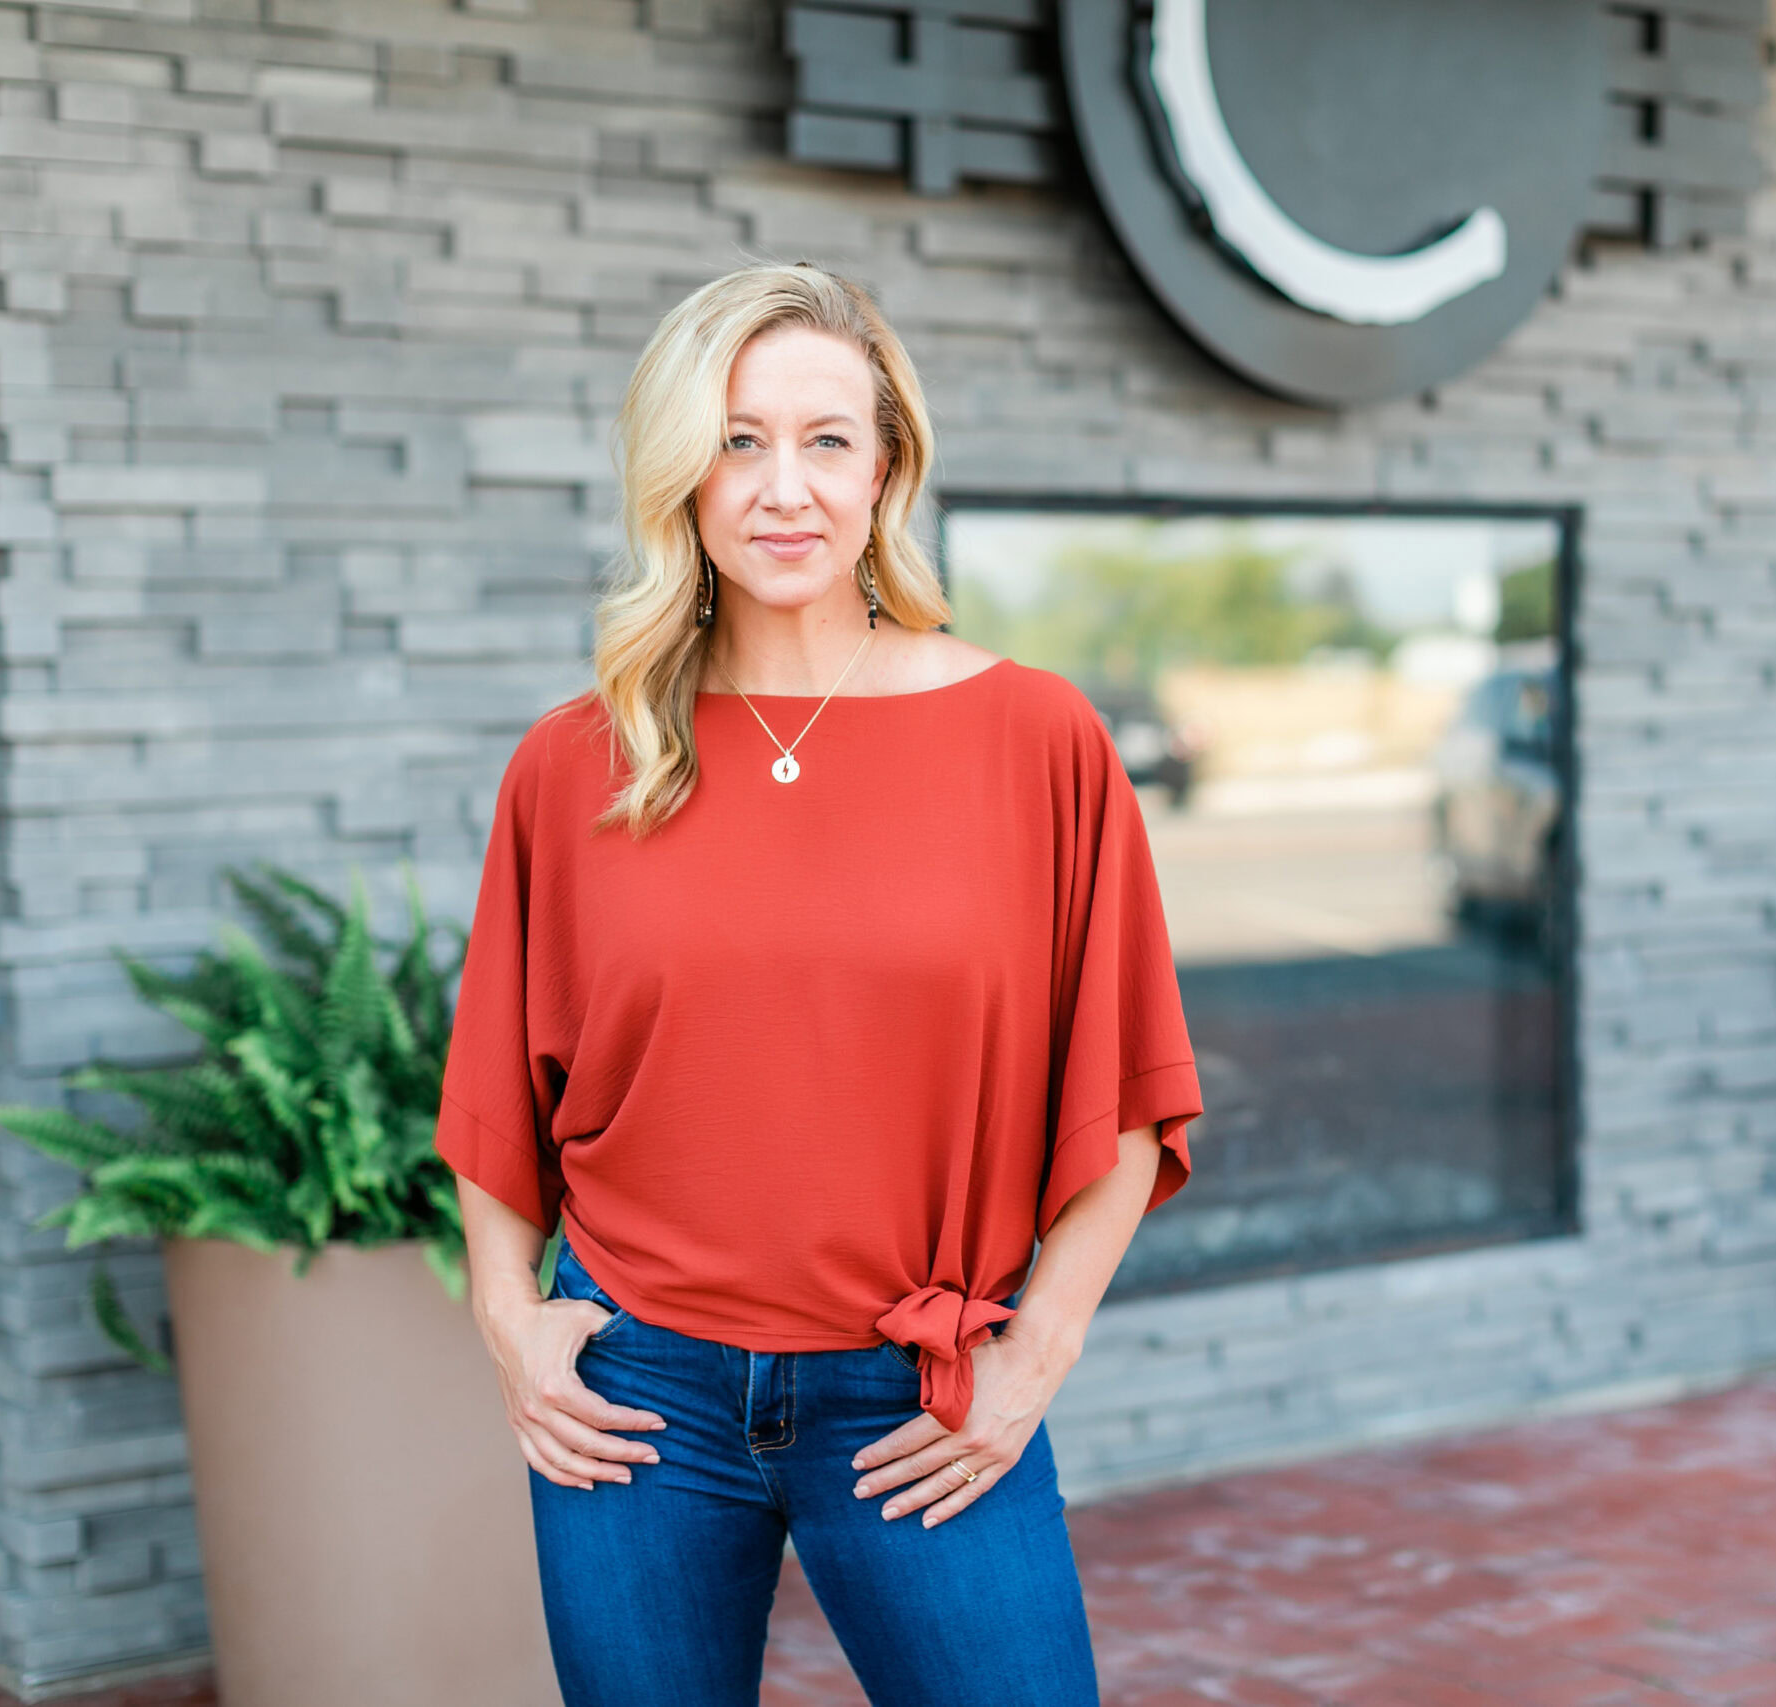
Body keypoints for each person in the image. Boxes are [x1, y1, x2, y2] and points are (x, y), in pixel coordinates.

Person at [433, 260, 1204, 1707]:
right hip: (637, 1397)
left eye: (825, 438)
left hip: (917, 1393)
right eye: (736, 439)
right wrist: (506, 1317)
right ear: (681, 474)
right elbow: (498, 1093)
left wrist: (1039, 1352)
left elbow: (1125, 1096)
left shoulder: (1038, 742)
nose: (782, 486)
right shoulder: (572, 763)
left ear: (886, 465)